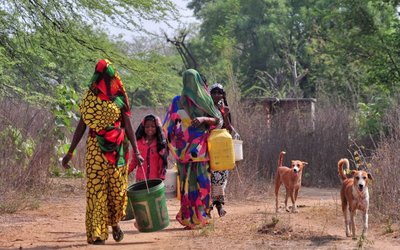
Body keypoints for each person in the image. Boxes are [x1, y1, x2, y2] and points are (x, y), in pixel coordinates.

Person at [61, 59, 144, 245]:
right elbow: (81, 126)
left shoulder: (120, 98)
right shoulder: (90, 98)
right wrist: (70, 152)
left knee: (116, 191)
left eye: (107, 74)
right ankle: (97, 233)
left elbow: (128, 126)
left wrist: (137, 152)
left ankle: (114, 222)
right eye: (101, 74)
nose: (104, 78)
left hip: (117, 151)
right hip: (95, 149)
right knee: (96, 190)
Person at [163, 69, 223, 229]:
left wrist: (203, 119)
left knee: (202, 182)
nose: (189, 83)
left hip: (201, 148)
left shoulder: (205, 100)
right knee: (186, 184)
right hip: (183, 150)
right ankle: (188, 218)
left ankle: (202, 216)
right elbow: (168, 124)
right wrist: (170, 141)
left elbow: (218, 120)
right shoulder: (177, 101)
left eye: (192, 80)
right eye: (186, 80)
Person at [209, 83, 240, 217]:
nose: (216, 95)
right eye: (214, 92)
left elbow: (227, 127)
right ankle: (209, 207)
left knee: (221, 178)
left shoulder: (224, 109)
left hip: (221, 148)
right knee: (209, 177)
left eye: (219, 93)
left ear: (223, 95)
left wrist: (234, 132)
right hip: (209, 146)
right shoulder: (206, 108)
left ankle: (219, 205)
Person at [128, 114, 168, 181]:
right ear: (143, 128)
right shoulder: (138, 143)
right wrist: (126, 172)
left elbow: (162, 163)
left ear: (157, 128)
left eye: (153, 126)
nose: (150, 129)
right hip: (140, 181)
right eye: (147, 126)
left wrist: (161, 177)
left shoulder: (160, 145)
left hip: (155, 181)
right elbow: (134, 161)